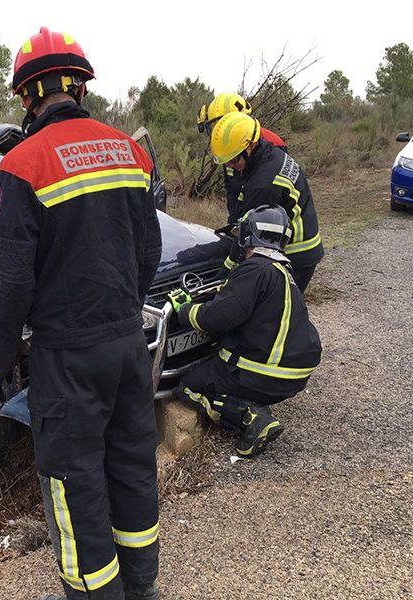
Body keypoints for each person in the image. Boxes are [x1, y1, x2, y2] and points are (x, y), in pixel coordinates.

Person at [0, 27, 162, 600]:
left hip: (67, 356)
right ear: (80, 87)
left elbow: (9, 281)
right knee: (132, 463)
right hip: (127, 344)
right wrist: (121, 309)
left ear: (28, 97)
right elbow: (148, 251)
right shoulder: (129, 152)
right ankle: (141, 588)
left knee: (72, 478)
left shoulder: (23, 164)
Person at [168, 205, 322, 456]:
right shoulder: (281, 270)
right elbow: (237, 301)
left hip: (266, 372)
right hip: (294, 371)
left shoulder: (254, 270)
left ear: (248, 235)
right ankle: (252, 399)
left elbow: (217, 318)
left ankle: (252, 419)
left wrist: (184, 311)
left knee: (188, 385)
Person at [210, 112, 324, 292]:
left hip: (295, 254)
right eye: (226, 162)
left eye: (234, 159)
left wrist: (223, 277)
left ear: (251, 146)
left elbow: (246, 235)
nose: (230, 166)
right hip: (301, 243)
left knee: (273, 312)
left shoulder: (263, 184)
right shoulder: (270, 154)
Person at [197, 92, 287, 224]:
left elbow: (274, 193)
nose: (221, 130)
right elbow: (232, 188)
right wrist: (233, 221)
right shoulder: (228, 145)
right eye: (216, 125)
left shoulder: (273, 143)